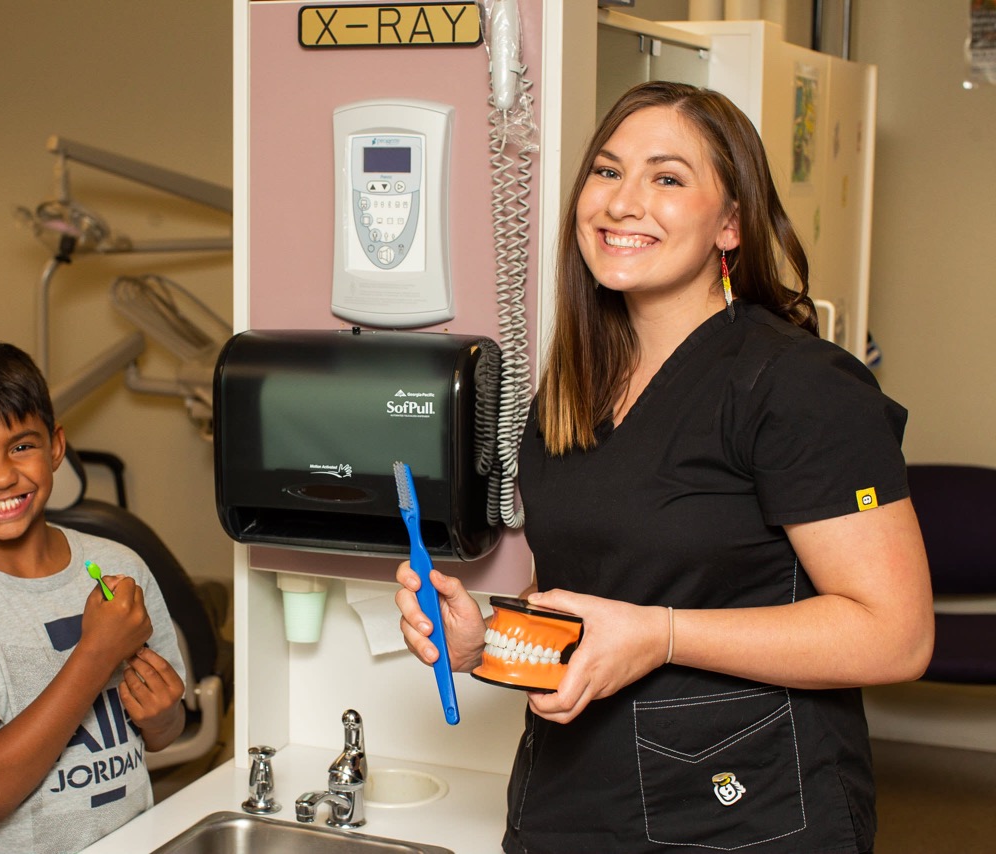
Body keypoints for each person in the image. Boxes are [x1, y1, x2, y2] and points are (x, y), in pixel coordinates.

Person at [395, 81, 934, 853]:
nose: (622, 202)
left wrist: (664, 636)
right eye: (608, 172)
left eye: (668, 178)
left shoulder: (796, 385)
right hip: (572, 801)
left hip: (745, 813)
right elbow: (607, 601)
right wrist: (485, 641)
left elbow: (897, 636)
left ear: (731, 224)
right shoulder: (572, 391)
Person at [0, 338, 187, 854]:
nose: (2, 475)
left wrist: (162, 714)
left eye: (22, 446)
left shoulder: (121, 567)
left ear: (55, 448)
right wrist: (97, 651)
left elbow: (165, 732)